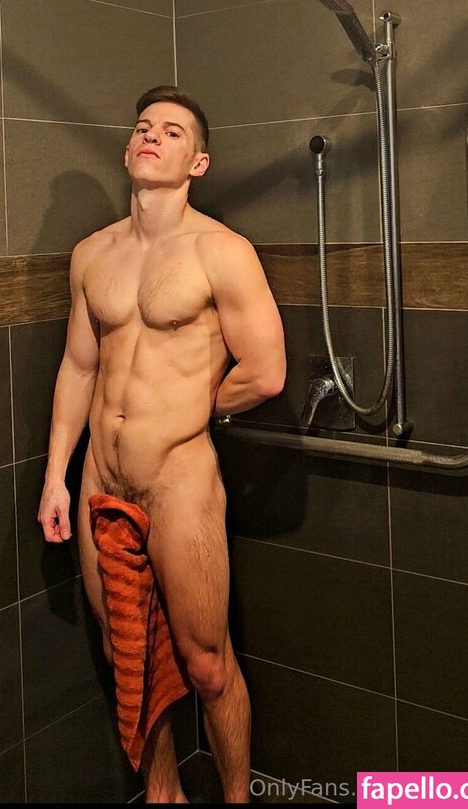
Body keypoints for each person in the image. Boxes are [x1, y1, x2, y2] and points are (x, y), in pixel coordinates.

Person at [38, 86, 287, 803]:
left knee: (206, 663)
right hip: (99, 477)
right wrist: (56, 477)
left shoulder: (221, 252)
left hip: (179, 478)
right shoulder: (92, 254)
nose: (152, 136)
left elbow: (266, 372)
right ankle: (163, 795)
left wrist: (192, 409)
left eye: (173, 132)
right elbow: (78, 366)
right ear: (128, 148)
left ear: (197, 162)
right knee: (129, 652)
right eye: (143, 127)